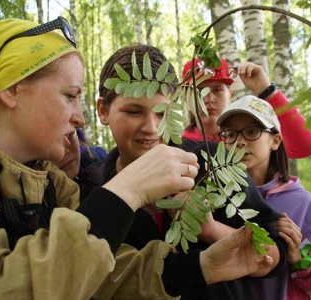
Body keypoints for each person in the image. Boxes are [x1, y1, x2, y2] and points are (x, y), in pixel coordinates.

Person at [0, 17, 275, 300]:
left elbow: (104, 274)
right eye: (69, 96)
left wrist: (201, 268)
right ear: (12, 89)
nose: (79, 119)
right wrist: (127, 191)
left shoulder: (49, 182)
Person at [77, 44, 288, 300]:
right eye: (133, 111)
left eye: (162, 112)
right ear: (103, 111)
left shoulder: (213, 162)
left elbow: (274, 254)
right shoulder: (92, 188)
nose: (151, 128)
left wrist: (210, 229)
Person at [211, 95, 311, 299]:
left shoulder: (301, 202)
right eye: (230, 134)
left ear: (275, 140)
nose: (239, 142)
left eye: (252, 131)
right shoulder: (216, 196)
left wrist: (298, 259)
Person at [181, 58, 311, 159]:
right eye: (199, 91)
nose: (209, 99)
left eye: (217, 90)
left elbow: (306, 147)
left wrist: (267, 91)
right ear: (186, 97)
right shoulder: (177, 144)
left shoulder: (250, 138)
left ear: (230, 93)